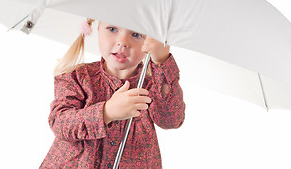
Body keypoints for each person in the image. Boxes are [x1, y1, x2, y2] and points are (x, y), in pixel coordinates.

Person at [40, 19, 185, 169]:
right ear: (98, 28)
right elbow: (59, 122)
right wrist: (106, 113)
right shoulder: (77, 76)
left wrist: (162, 61)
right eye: (112, 29)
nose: (122, 42)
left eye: (136, 34)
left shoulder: (153, 86)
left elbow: (172, 120)